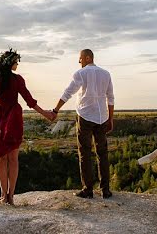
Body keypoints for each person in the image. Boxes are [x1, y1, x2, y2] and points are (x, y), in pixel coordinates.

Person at [0, 48, 54, 205]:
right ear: (11, 63)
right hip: (14, 119)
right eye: (16, 62)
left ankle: (3, 196)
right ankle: (11, 196)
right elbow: (30, 101)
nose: (18, 64)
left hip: (2, 118)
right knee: (14, 158)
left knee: (2, 157)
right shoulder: (17, 80)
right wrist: (46, 114)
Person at [52, 48, 114, 199]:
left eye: (80, 58)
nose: (79, 61)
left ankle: (88, 190)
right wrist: (110, 119)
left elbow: (68, 92)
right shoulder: (106, 74)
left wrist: (55, 109)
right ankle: (105, 190)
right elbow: (110, 98)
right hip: (102, 117)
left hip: (85, 116)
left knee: (84, 153)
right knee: (102, 153)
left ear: (87, 58)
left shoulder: (81, 73)